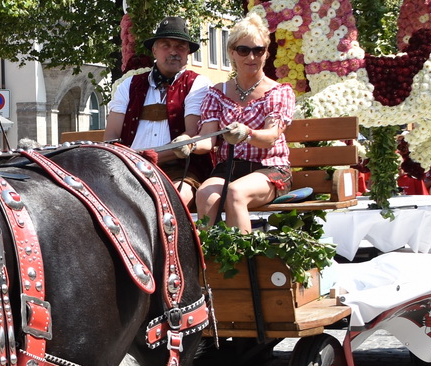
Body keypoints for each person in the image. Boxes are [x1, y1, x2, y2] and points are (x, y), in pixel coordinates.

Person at [195, 16, 295, 232]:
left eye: (258, 50)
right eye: (243, 50)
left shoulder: (278, 92)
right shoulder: (216, 93)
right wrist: (188, 144)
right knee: (204, 195)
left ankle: (241, 259)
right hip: (229, 169)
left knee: (235, 193)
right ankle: (208, 261)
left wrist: (247, 133)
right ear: (232, 52)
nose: (251, 56)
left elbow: (270, 137)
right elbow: (207, 141)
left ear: (266, 53)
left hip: (270, 169)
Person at [105, 16, 211, 207]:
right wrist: (127, 162)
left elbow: (191, 135)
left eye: (180, 46)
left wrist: (148, 158)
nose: (173, 51)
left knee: (177, 199)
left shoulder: (197, 84)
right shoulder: (129, 85)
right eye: (166, 45)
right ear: (154, 50)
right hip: (130, 168)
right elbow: (111, 136)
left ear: (188, 53)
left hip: (179, 169)